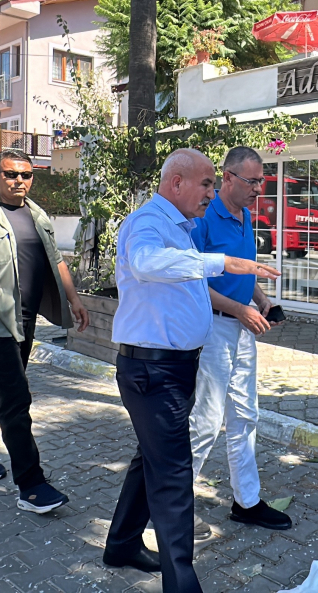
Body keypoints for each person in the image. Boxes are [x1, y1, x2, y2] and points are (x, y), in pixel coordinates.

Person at [104, 149, 278, 593]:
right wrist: (222, 262)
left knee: (150, 461)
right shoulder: (148, 223)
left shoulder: (180, 226)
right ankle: (182, 583)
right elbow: (146, 263)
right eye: (205, 184)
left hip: (174, 366)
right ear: (176, 182)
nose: (210, 193)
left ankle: (121, 544)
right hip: (152, 370)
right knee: (174, 476)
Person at [0, 148, 91, 514]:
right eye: (10, 174)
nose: (18, 181)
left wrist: (75, 299)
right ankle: (31, 484)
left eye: (25, 175)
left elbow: (57, 261)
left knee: (1, 391)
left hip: (24, 321)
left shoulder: (37, 215)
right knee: (16, 399)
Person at [189, 147, 291, 542]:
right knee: (206, 420)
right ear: (228, 178)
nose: (259, 189)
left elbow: (242, 273)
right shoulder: (203, 218)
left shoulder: (246, 216)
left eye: (261, 181)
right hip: (213, 328)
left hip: (242, 328)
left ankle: (246, 502)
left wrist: (260, 299)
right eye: (252, 181)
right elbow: (191, 280)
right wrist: (238, 309)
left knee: (245, 416)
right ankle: (173, 505)